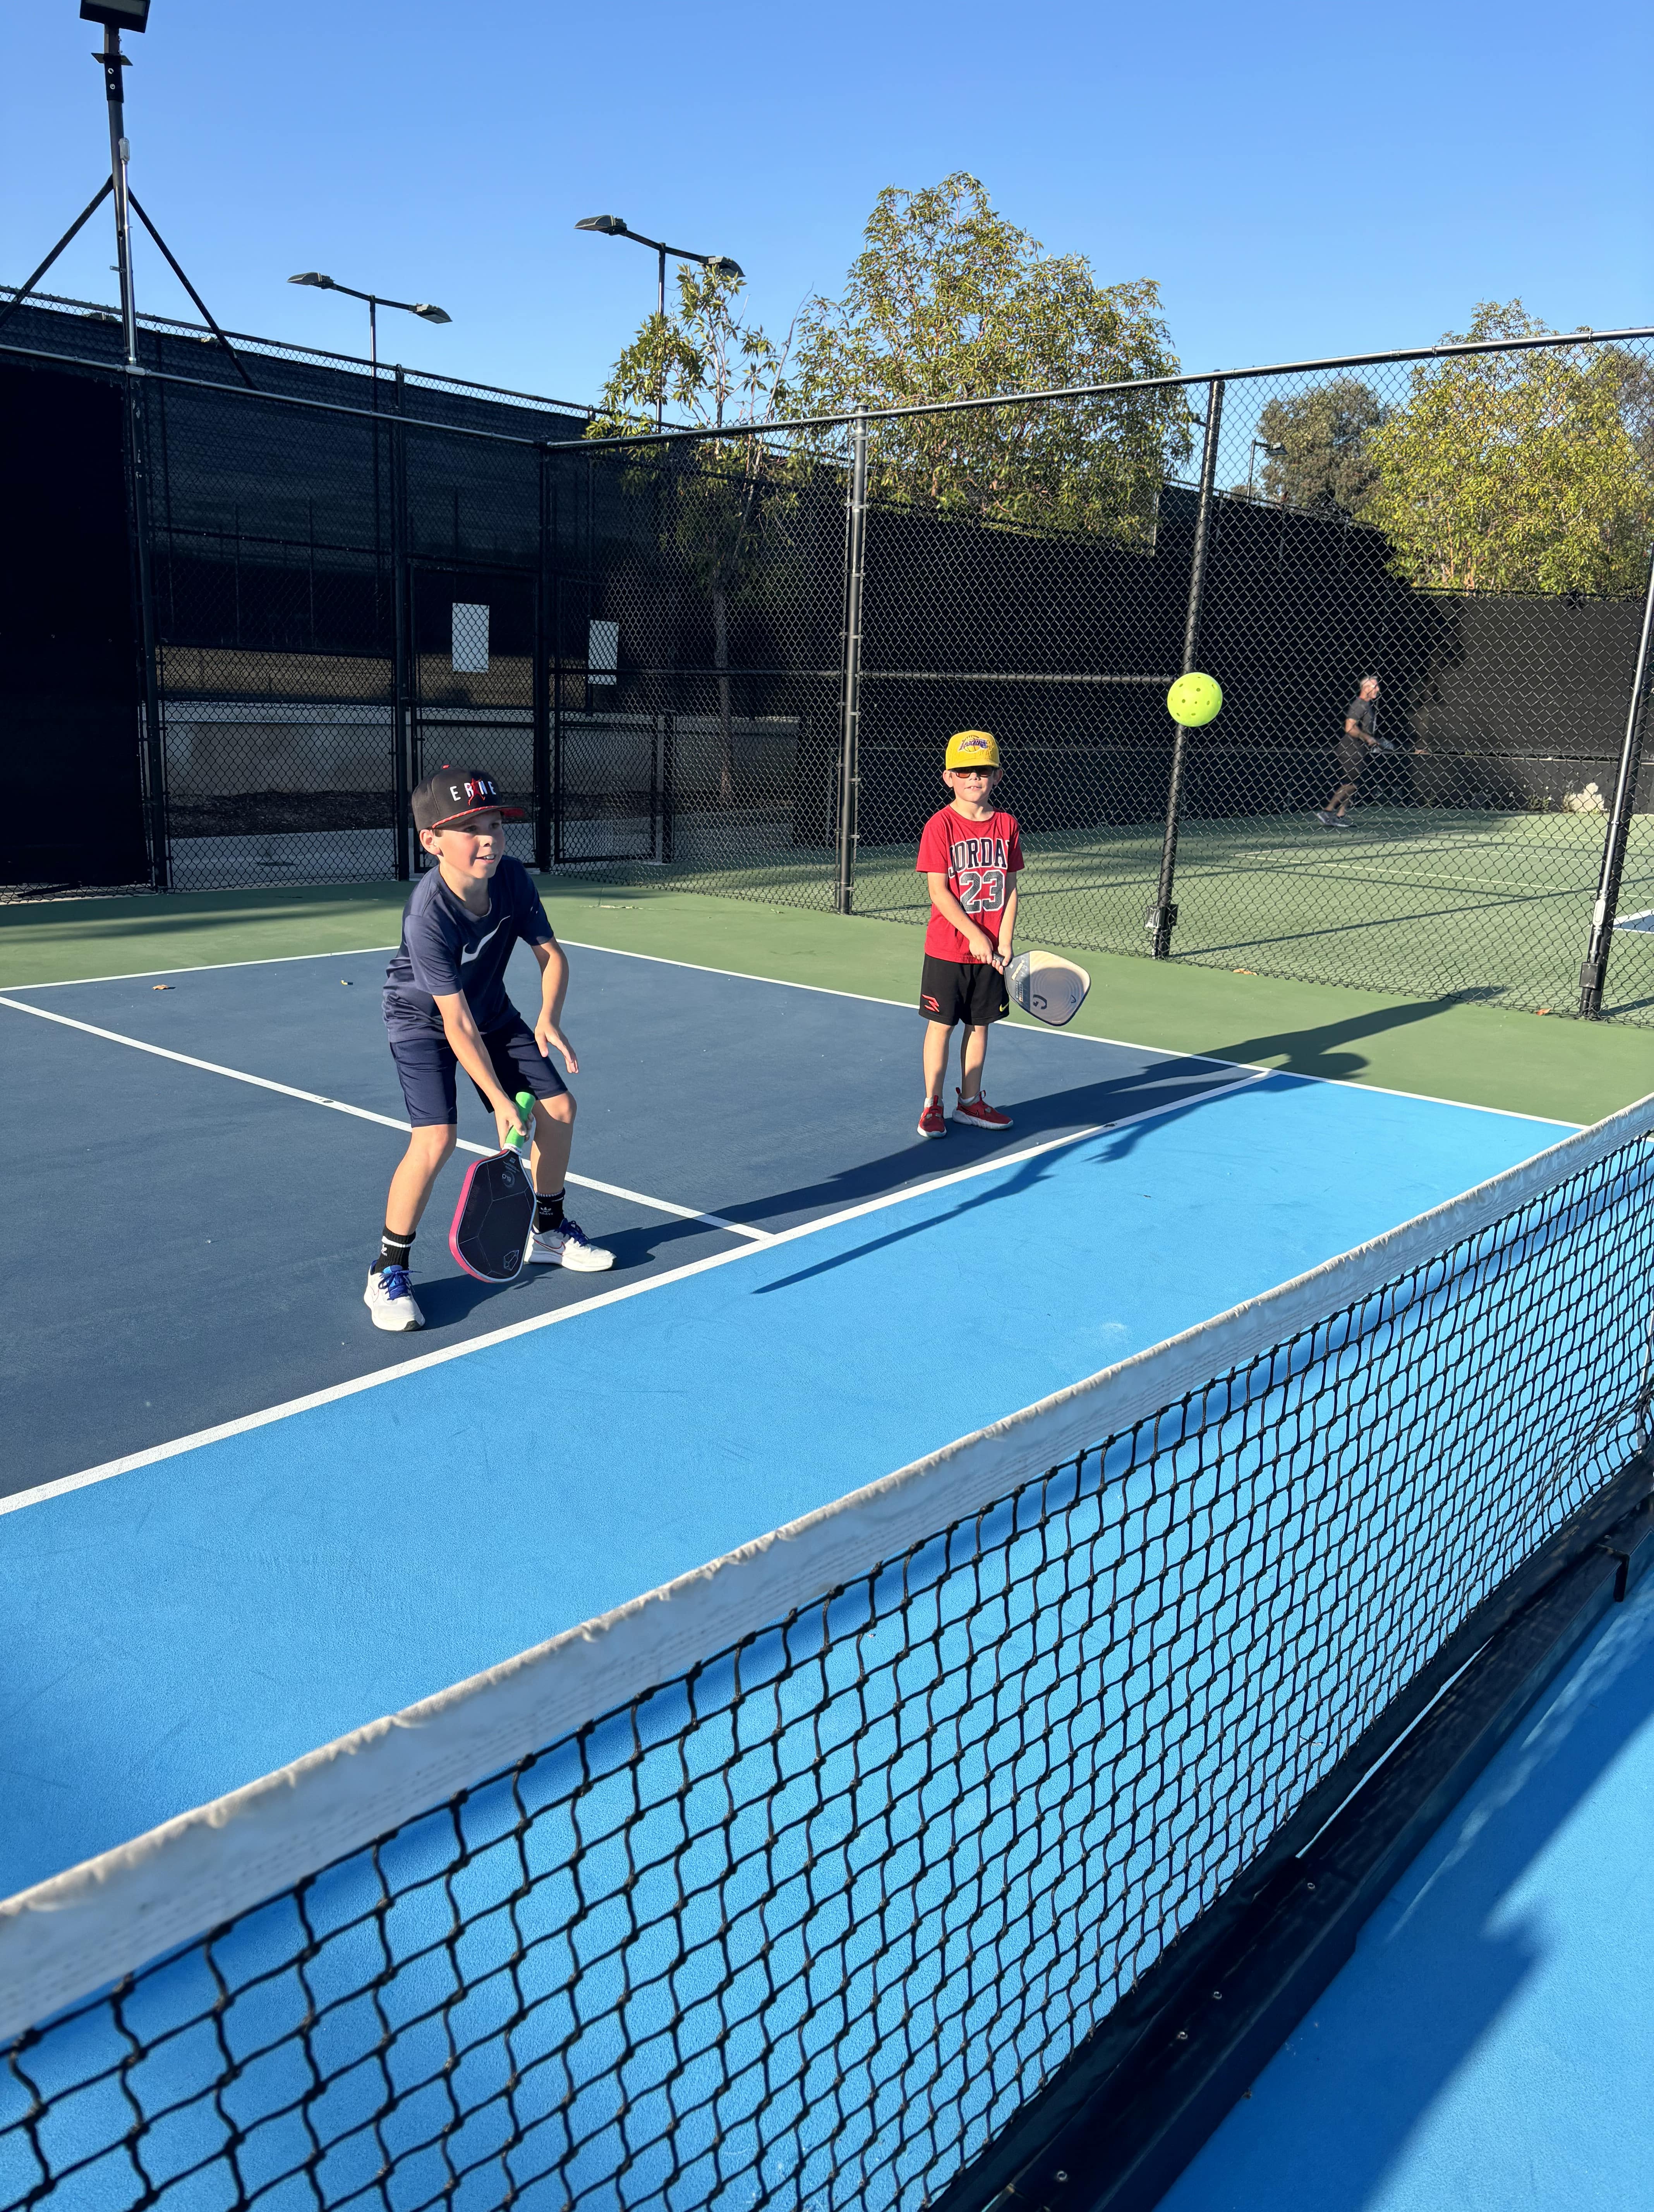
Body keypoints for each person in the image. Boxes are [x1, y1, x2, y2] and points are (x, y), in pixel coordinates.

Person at [365, 766, 613, 1332]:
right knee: (436, 1140)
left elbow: (551, 956)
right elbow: (454, 1023)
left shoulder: (512, 879)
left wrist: (549, 1016)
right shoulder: (429, 914)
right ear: (431, 842)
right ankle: (387, 1269)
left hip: (490, 1011)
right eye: (470, 829)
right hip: (423, 1021)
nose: (489, 840)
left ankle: (547, 1231)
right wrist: (500, 1100)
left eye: (496, 825)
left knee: (559, 1110)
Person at [914, 730, 1024, 1139]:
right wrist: (974, 935)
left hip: (990, 953)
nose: (974, 778)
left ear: (997, 776)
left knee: (980, 1026)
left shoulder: (1007, 825)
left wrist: (1004, 939)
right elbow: (938, 891)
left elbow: (1010, 887)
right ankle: (933, 1104)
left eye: (982, 771)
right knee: (941, 1027)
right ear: (948, 777)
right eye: (964, 771)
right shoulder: (940, 826)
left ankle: (970, 1102)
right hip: (948, 950)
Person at [1315, 675, 1381, 828]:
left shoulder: (1367, 705)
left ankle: (1341, 815)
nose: (1378, 689)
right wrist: (1367, 738)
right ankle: (1327, 811)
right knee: (1350, 784)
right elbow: (1350, 728)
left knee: (1354, 784)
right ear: (1366, 688)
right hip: (1350, 750)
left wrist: (1371, 739)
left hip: (1359, 751)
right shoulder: (1360, 705)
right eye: (1375, 686)